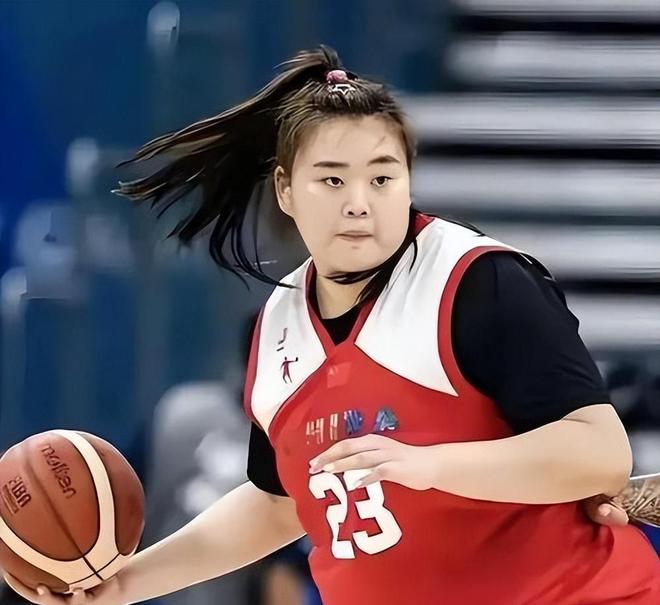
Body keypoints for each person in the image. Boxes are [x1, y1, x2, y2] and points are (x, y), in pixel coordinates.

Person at [5, 46, 659, 605]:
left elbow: (599, 454)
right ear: (286, 191)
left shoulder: (477, 283)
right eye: (333, 180)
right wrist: (125, 583)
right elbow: (279, 502)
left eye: (382, 178)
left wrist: (428, 464)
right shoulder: (277, 324)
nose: (359, 204)